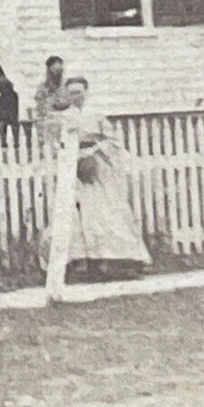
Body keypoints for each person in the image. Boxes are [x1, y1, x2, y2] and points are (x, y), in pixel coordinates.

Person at [61, 76, 150, 278]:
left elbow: (112, 141)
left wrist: (94, 153)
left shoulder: (97, 115)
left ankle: (121, 261)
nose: (76, 96)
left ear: (86, 92)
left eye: (79, 92)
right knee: (82, 215)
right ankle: (87, 263)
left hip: (99, 168)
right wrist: (77, 159)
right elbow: (63, 143)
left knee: (108, 211)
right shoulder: (66, 117)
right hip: (76, 170)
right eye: (72, 92)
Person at [33, 55, 72, 140]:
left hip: (63, 124)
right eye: (55, 71)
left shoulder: (65, 87)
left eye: (60, 71)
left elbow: (69, 103)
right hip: (47, 126)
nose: (58, 74)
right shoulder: (43, 88)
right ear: (49, 71)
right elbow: (40, 108)